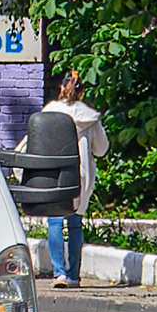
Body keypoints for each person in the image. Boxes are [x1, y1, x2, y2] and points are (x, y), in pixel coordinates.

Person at [42, 70, 109, 288]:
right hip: (80, 174)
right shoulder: (90, 117)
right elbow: (101, 149)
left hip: (54, 172)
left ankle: (59, 273)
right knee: (74, 224)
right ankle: (73, 276)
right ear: (81, 92)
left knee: (54, 221)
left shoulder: (50, 112)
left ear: (61, 88)